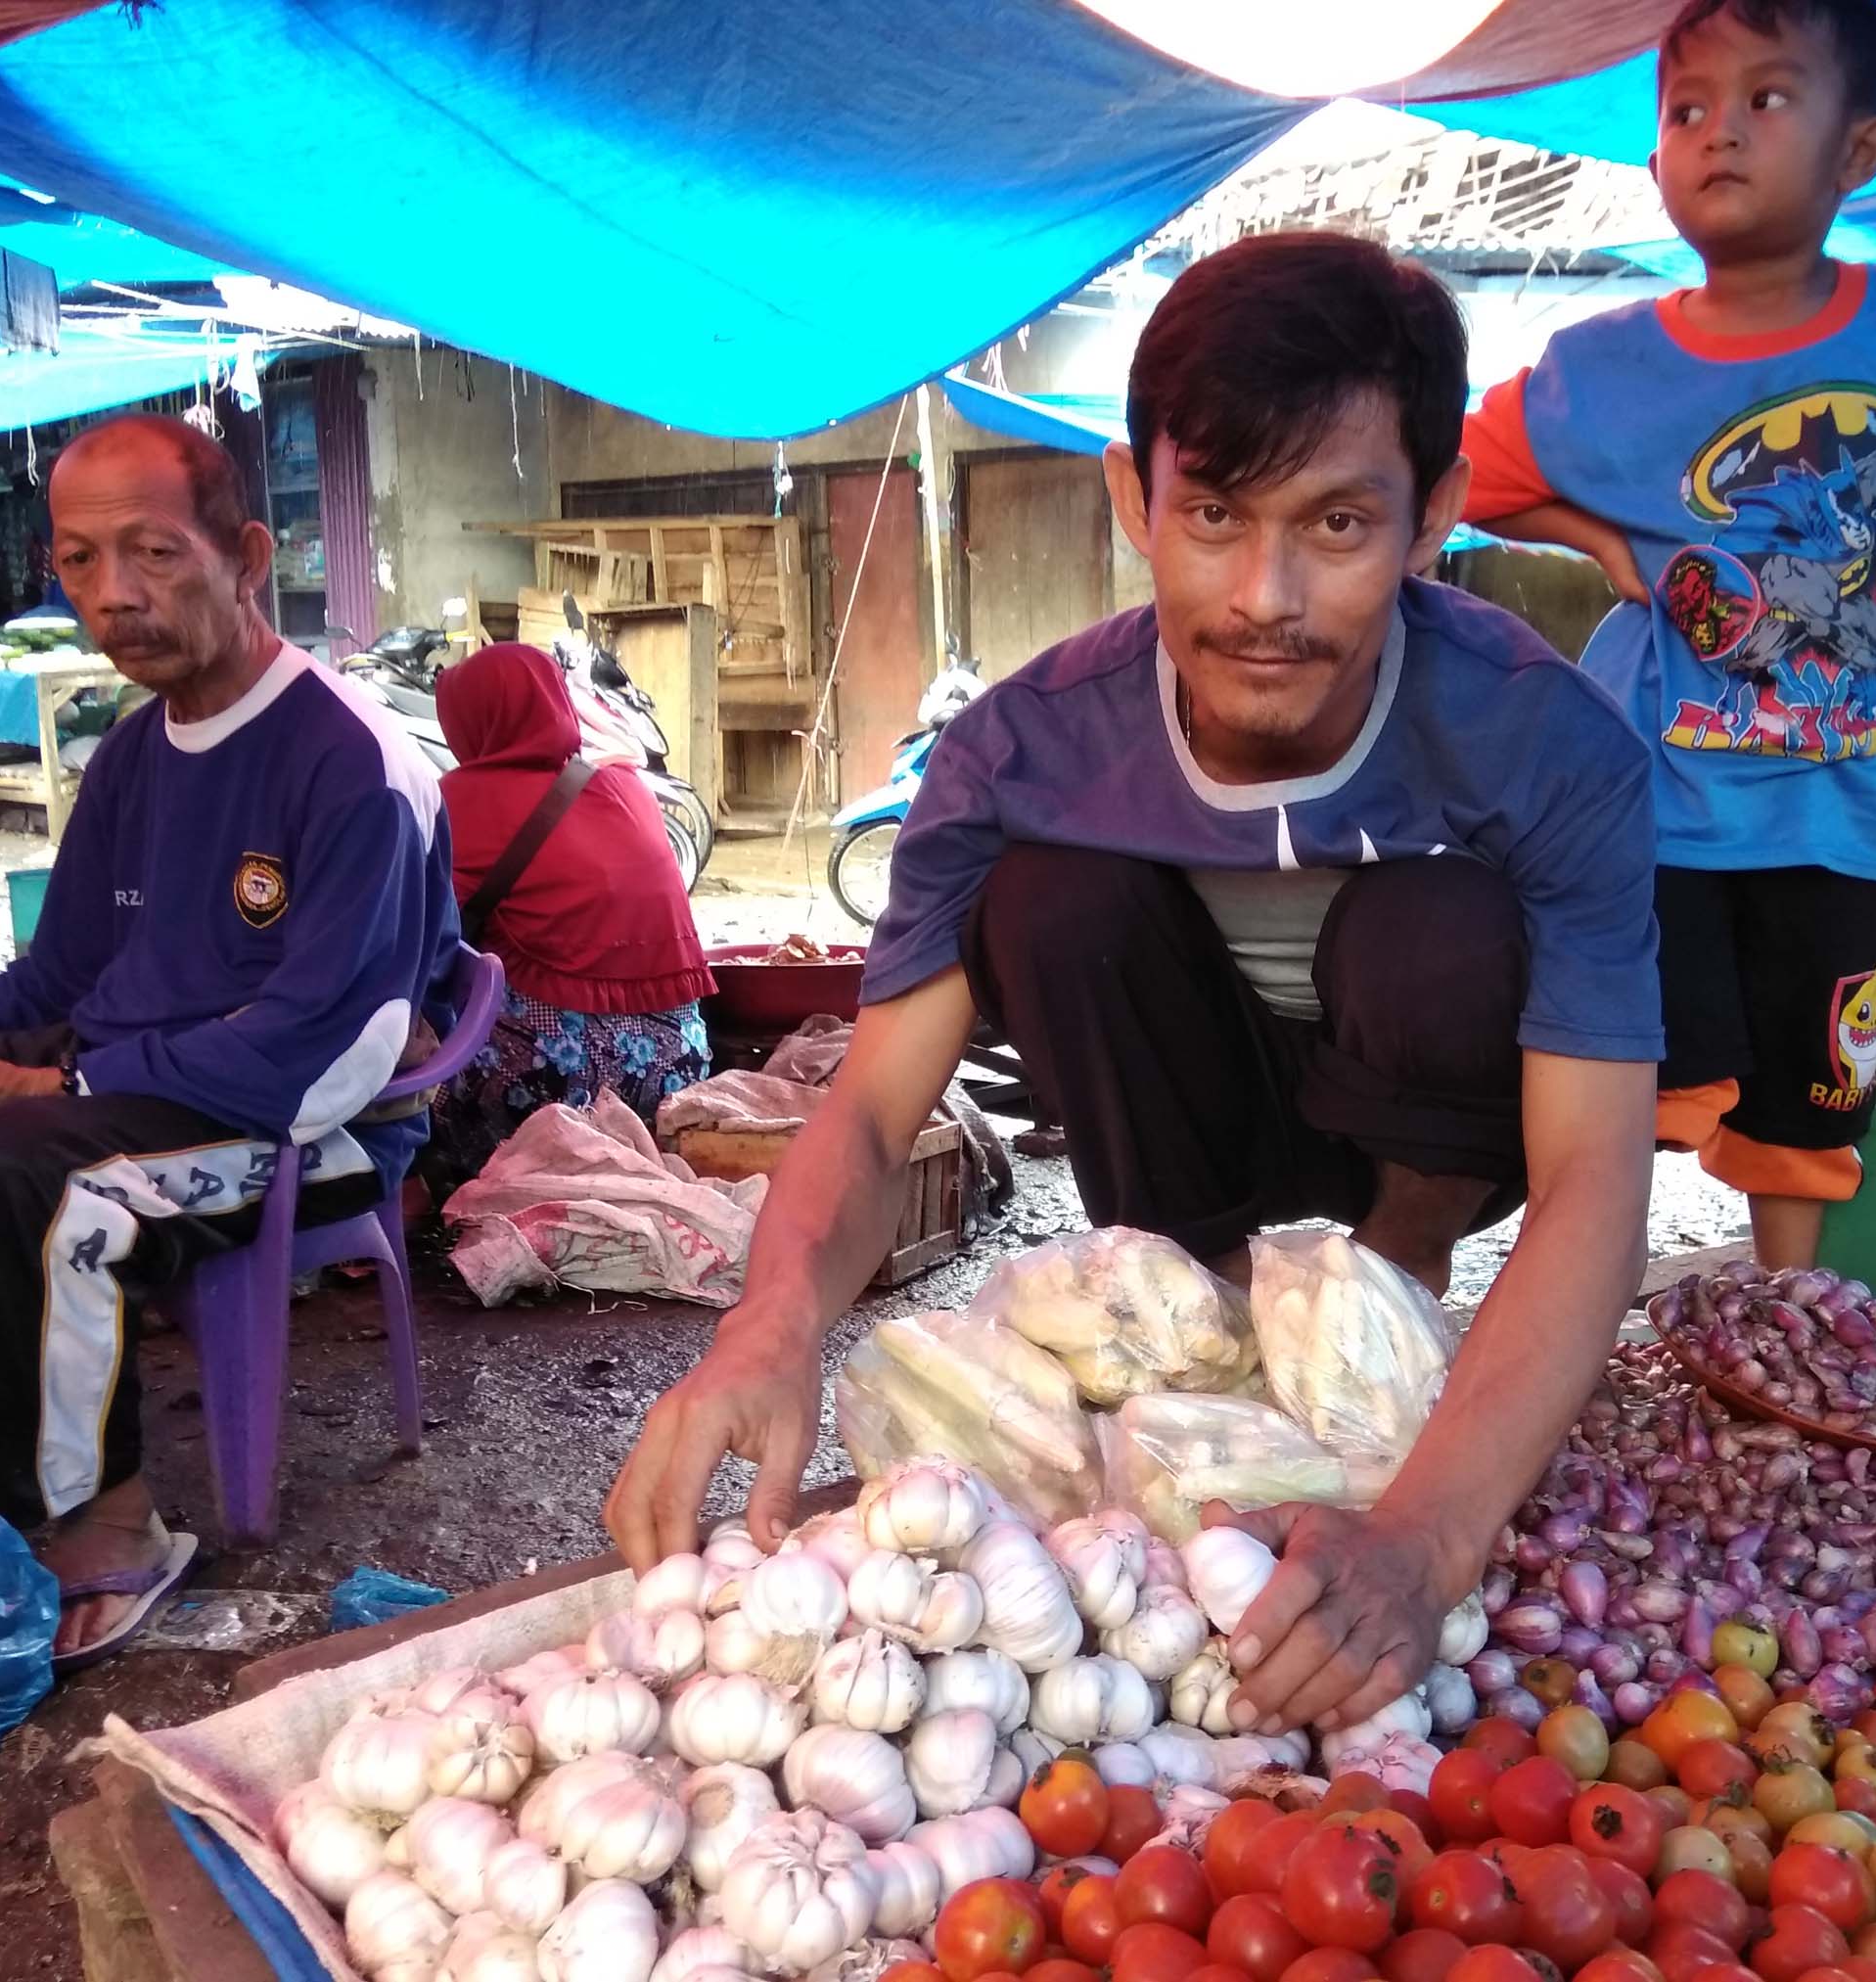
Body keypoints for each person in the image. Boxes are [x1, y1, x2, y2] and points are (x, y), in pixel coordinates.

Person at [608, 231, 1664, 1738]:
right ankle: (1199, 1328)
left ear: (1437, 517)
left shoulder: (1549, 745)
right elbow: (867, 1110)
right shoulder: (1017, 753)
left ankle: (1388, 1314)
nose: (1263, 595)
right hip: (1195, 1142)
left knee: (1434, 925)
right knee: (1055, 894)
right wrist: (767, 1325)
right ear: (1133, 500)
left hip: (1418, 1144)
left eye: (1340, 523)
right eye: (1214, 515)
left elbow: (1594, 1185)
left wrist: (1427, 1541)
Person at [0, 413, 459, 1666]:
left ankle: (104, 1527)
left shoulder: (351, 762)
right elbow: (63, 971)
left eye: (152, 553)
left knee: (36, 1166)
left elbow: (329, 1050)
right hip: (112, 1090)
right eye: (82, 561)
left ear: (246, 553)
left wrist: (57, 1080)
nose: (114, 596)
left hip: (303, 1126)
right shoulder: (132, 758)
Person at [1459, 0, 1876, 1269]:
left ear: (1858, 149)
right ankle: (1598, 1298)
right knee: (1643, 1076)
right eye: (1687, 109)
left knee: (1816, 1095)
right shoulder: (1601, 372)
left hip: (1856, 810)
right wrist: (1604, 542)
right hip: (1673, 805)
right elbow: (1460, 470)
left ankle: (1788, 1306)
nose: (1721, 134)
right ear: (1656, 156)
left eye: (1768, 99)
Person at [426, 641, 715, 1185]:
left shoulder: (457, 800)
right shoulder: (628, 785)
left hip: (549, 1090)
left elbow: (418, 937)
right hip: (677, 1074)